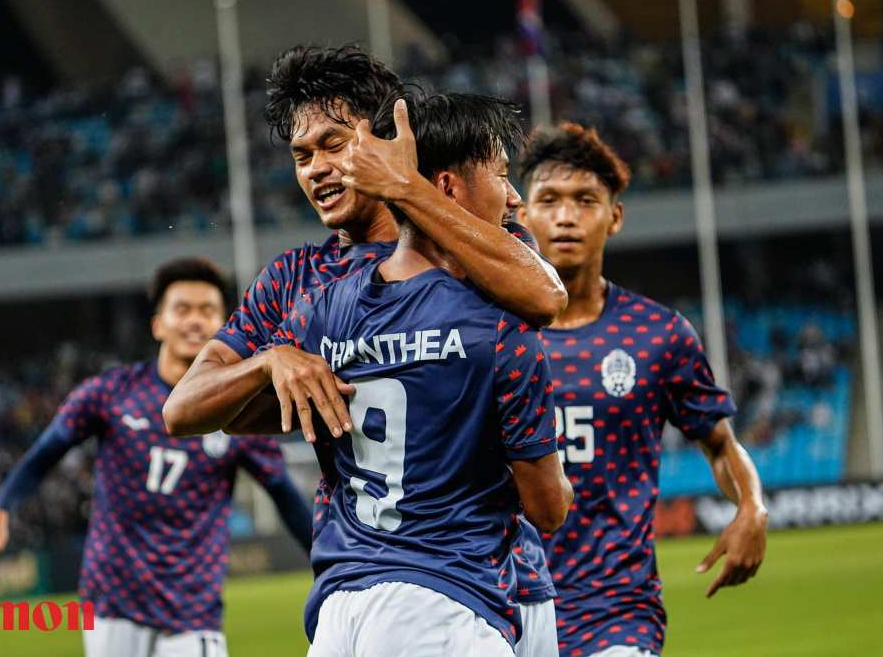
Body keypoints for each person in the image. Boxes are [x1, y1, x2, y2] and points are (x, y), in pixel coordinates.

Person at [163, 46, 566, 655]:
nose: (318, 169)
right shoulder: (295, 279)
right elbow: (184, 408)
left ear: (386, 140)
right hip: (381, 577)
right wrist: (270, 360)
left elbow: (545, 297)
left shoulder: (472, 243)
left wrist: (407, 190)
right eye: (303, 155)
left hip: (506, 575)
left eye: (335, 144)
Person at [0, 257, 312, 657]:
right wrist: (2, 509)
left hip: (192, 609)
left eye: (207, 311)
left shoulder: (241, 414)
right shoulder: (109, 394)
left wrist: (328, 564)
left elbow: (286, 498)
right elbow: (46, 453)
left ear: (224, 325)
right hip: (113, 600)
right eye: (182, 309)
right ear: (157, 324)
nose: (195, 321)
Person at [514, 123, 768, 657]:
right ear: (522, 215)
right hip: (503, 605)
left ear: (615, 216)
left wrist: (752, 507)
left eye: (586, 200)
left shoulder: (659, 334)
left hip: (616, 610)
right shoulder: (488, 331)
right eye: (550, 200)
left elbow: (719, 443)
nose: (566, 216)